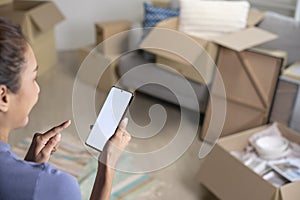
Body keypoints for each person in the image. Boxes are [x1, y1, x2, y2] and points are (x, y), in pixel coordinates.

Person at [0, 17, 131, 200]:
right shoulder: (57, 186)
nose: (38, 88)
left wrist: (27, 168)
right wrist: (107, 164)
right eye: (33, 78)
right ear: (3, 97)